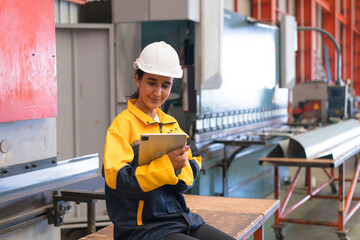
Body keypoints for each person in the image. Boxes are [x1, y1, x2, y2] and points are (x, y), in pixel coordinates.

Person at [103, 41, 235, 240]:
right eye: (152, 82)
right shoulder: (122, 126)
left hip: (178, 219)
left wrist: (178, 169)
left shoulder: (171, 124)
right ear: (137, 79)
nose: (158, 93)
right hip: (140, 228)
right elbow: (117, 180)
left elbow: (194, 163)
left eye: (165, 85)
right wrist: (167, 167)